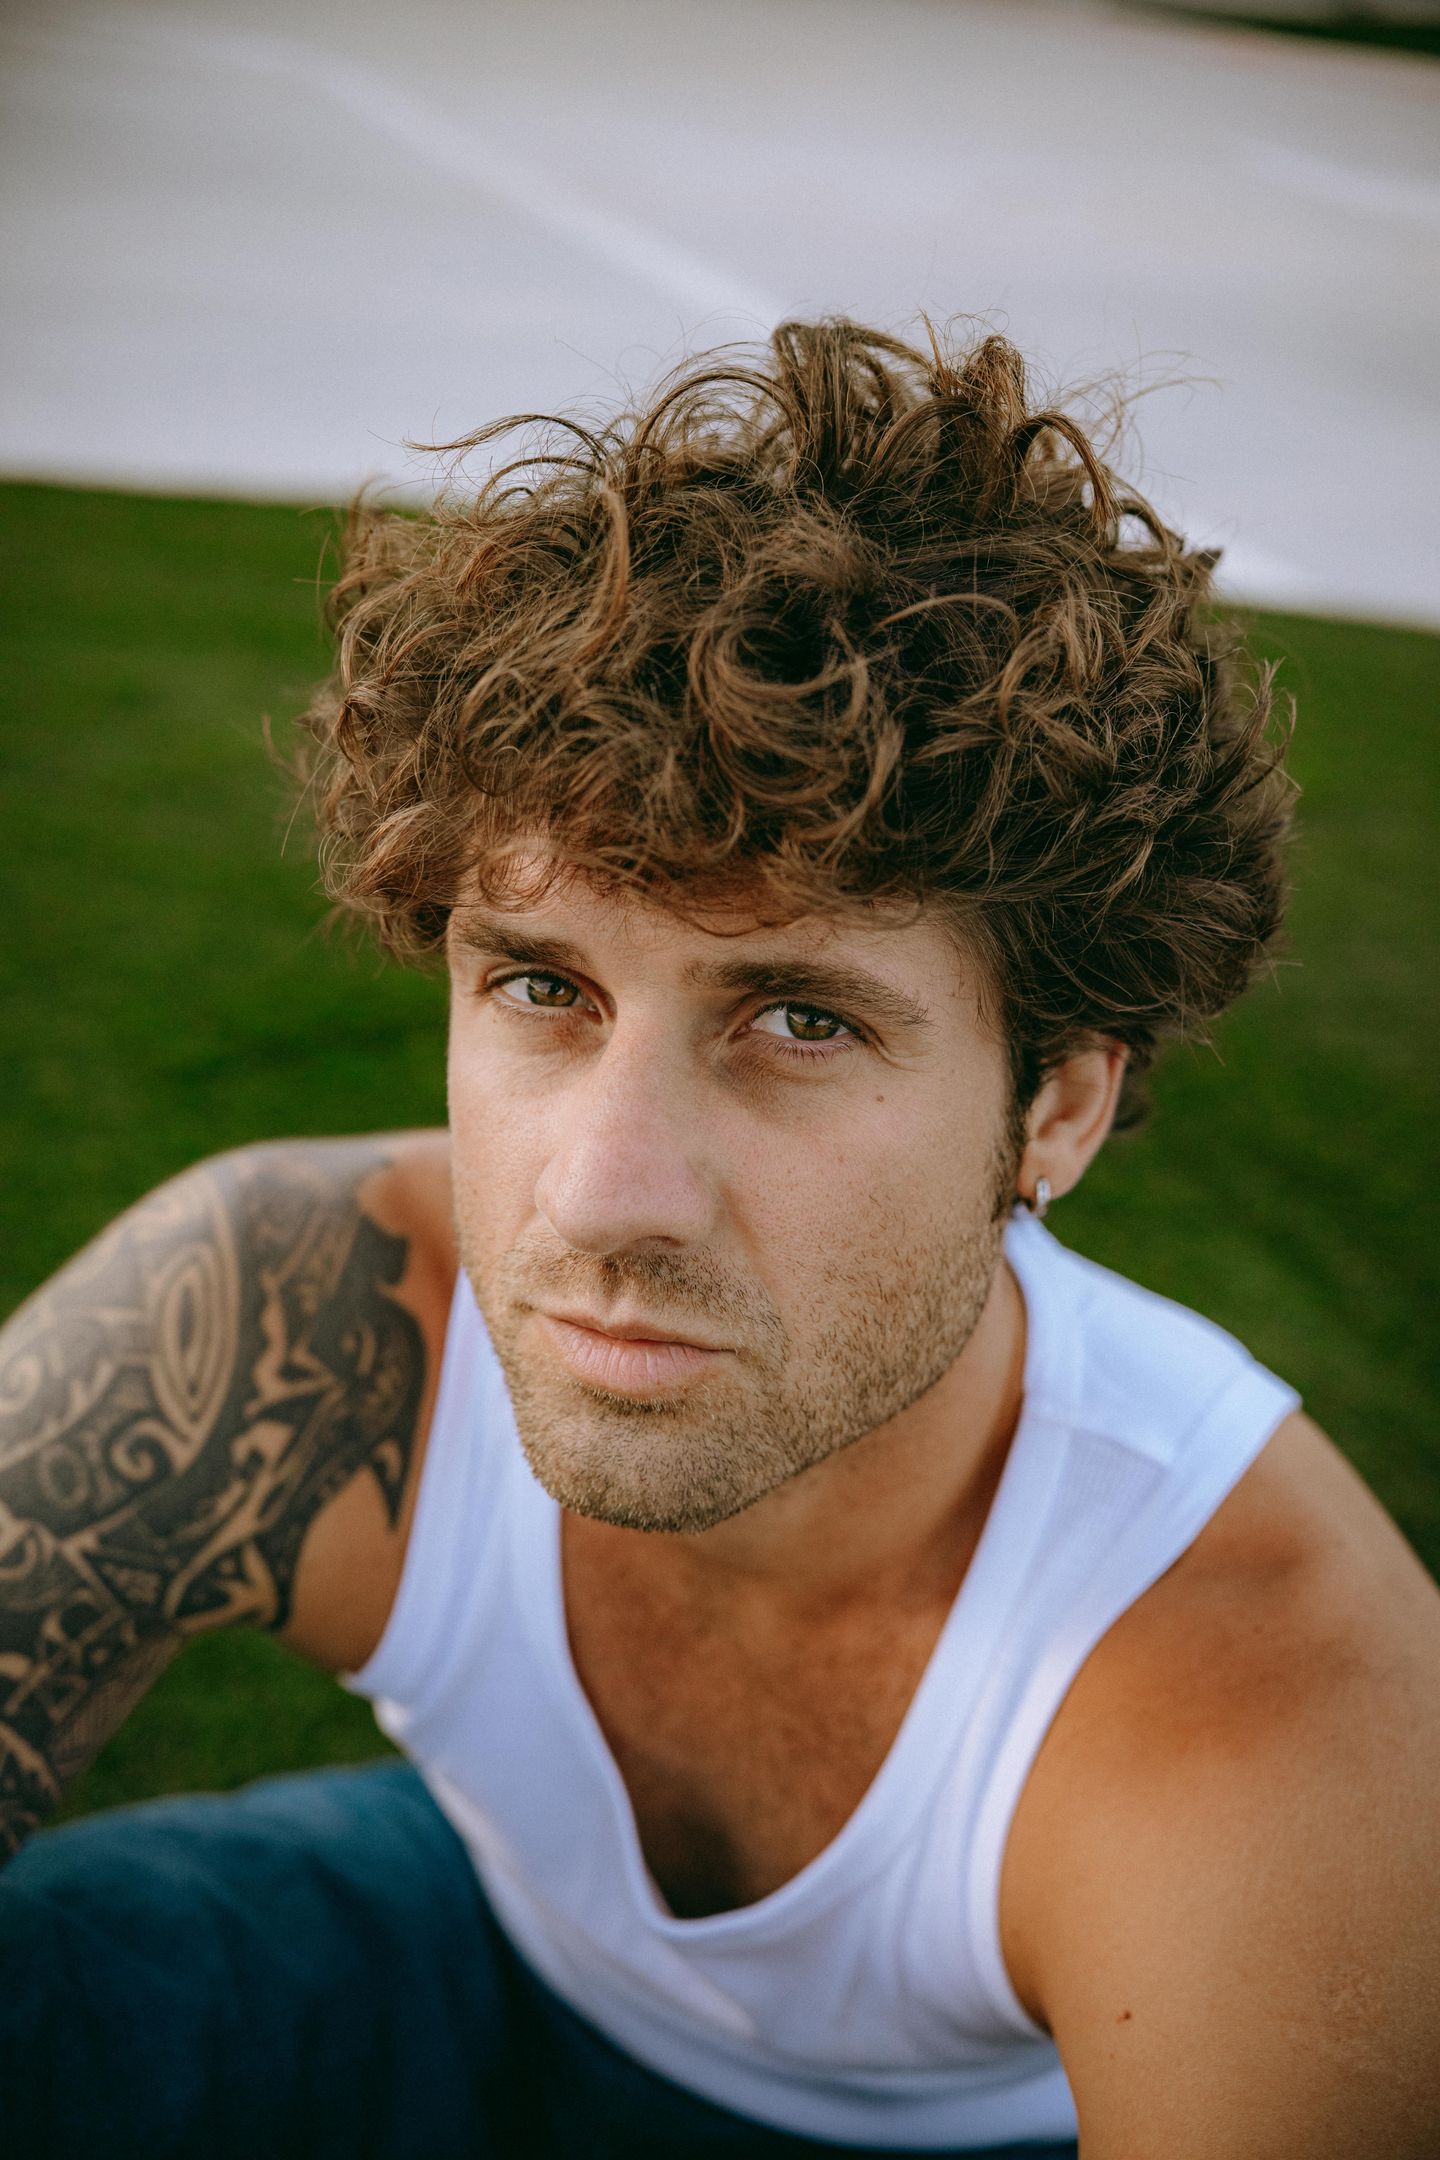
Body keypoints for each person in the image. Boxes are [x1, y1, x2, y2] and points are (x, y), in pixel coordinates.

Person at [1, 320, 1436, 2160]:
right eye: (544, 987)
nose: (601, 1198)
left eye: (801, 1021)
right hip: (468, 1940)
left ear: (1058, 1109)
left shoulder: (1279, 1709)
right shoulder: (297, 1321)